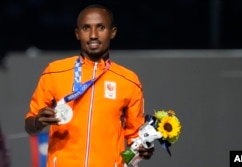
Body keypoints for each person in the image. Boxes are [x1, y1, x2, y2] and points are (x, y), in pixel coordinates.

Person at [24, 4, 154, 167]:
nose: (93, 35)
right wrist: (38, 122)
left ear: (112, 32)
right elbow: (30, 125)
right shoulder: (54, 72)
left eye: (101, 27)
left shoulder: (129, 81)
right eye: (86, 28)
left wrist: (142, 150)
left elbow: (135, 138)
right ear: (77, 34)